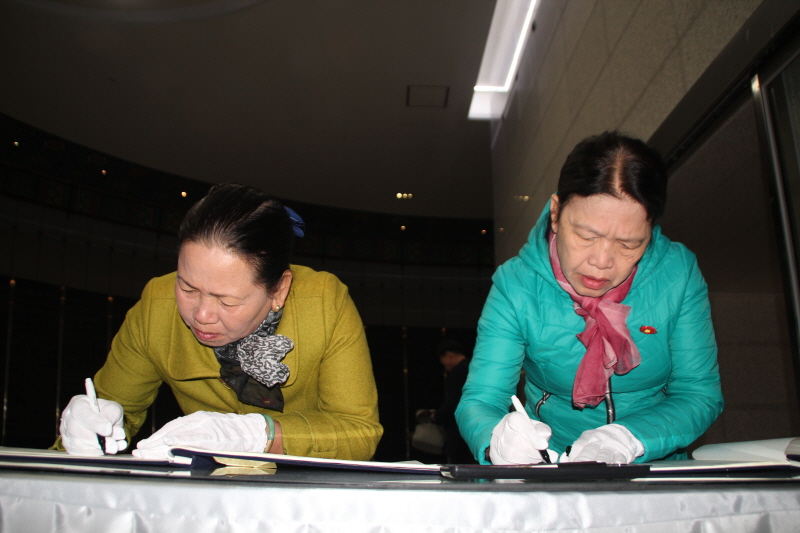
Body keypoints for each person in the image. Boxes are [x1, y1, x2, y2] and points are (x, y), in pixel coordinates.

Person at [58, 183, 383, 460]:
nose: (201, 315)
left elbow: (358, 432)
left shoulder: (325, 302)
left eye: (227, 301)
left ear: (279, 290)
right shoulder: (156, 305)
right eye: (187, 288)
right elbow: (115, 409)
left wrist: (261, 435)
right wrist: (88, 430)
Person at [455, 131, 723, 465]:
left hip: (653, 462)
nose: (602, 261)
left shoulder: (678, 273)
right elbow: (482, 398)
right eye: (586, 236)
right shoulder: (516, 285)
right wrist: (495, 440)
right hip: (552, 463)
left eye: (628, 244)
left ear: (651, 231)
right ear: (556, 213)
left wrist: (631, 438)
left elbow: (698, 393)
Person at [428, 340, 475, 464]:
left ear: (449, 355)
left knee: (460, 465)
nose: (444, 367)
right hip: (476, 424)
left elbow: (453, 401)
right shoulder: (474, 366)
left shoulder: (459, 370)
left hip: (460, 429)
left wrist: (437, 417)